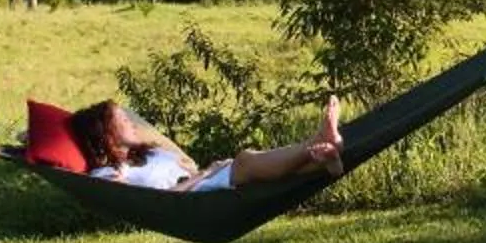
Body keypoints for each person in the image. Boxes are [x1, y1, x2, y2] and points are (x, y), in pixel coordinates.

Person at [66, 96, 346, 193]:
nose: (131, 123)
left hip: (204, 184)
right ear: (106, 133)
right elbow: (157, 203)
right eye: (123, 120)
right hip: (194, 198)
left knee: (258, 173)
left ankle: (327, 161)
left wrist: (207, 171)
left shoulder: (147, 153)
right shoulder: (109, 174)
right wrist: (207, 173)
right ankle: (318, 142)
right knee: (246, 161)